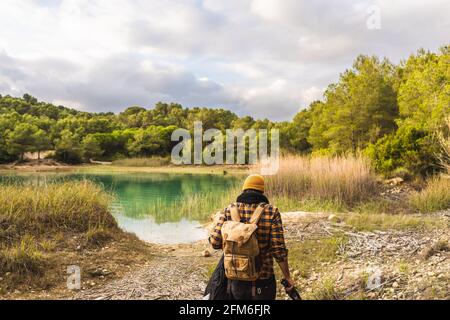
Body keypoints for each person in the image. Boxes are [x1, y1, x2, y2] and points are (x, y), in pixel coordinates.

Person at [209, 174, 295, 300]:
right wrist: (287, 277)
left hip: (235, 279)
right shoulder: (271, 212)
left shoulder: (229, 210)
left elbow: (215, 242)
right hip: (263, 280)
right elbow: (278, 251)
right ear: (262, 191)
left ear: (244, 189)